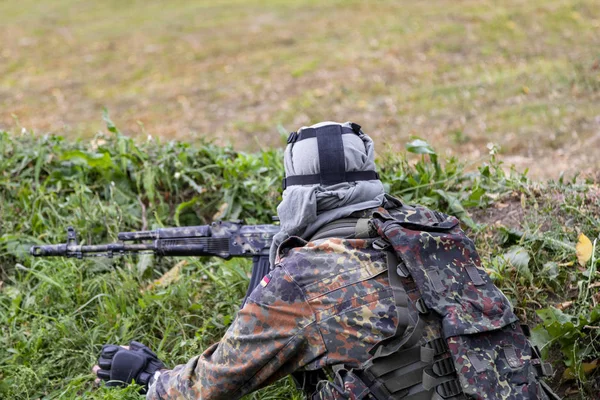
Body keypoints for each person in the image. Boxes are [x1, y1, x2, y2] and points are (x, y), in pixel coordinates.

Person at [94, 122, 558, 400]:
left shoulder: (306, 277)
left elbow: (210, 385)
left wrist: (148, 376)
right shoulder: (435, 230)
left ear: (298, 195)